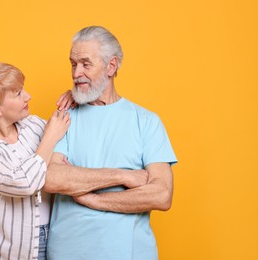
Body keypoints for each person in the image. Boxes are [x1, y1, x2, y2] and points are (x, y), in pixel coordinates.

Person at [44, 26, 178, 260]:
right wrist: (123, 176)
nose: (76, 73)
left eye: (86, 64)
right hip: (68, 253)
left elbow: (161, 194)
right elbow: (51, 178)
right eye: (73, 64)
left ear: (111, 66)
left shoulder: (146, 121)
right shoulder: (63, 117)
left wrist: (94, 199)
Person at [0, 62, 73, 260]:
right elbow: (24, 183)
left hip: (44, 242)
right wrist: (50, 137)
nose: (28, 96)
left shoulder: (35, 125)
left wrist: (76, 98)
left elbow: (70, 144)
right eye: (18, 93)